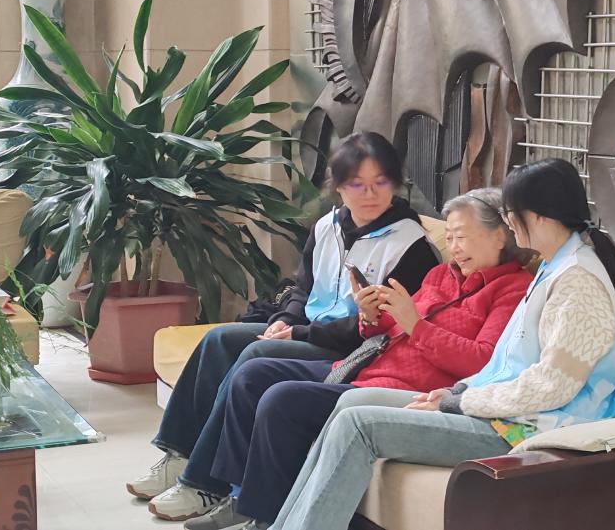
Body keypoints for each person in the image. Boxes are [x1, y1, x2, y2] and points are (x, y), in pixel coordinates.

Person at [240, 158, 615, 530]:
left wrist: (459, 401)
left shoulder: (578, 282)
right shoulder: (554, 266)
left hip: (531, 430)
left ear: (539, 216)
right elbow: (506, 364)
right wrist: (456, 392)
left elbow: (551, 387)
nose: (509, 225)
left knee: (359, 425)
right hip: (501, 412)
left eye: (511, 214)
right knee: (349, 408)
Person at [127, 131, 440, 521]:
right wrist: (284, 319)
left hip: (353, 346)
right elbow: (303, 287)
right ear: (338, 186)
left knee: (257, 354)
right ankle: (178, 454)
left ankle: (204, 483)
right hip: (309, 328)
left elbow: (387, 328)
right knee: (219, 339)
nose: (370, 194)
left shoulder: (411, 245)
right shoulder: (328, 226)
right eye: (357, 184)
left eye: (381, 182)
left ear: (395, 183)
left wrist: (300, 332)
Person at [188, 188, 534, 530]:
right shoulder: (441, 275)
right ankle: (237, 498)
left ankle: (263, 516)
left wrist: (415, 326)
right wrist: (370, 316)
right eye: (450, 237)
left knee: (282, 400)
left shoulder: (514, 289)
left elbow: (482, 362)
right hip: (365, 364)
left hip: (405, 388)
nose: (454, 247)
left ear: (500, 236)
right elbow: (390, 327)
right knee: (253, 375)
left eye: (462, 237)